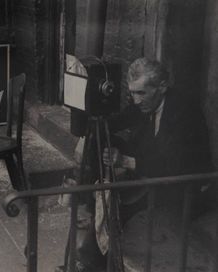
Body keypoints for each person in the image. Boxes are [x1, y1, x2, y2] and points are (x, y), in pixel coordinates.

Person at [75, 57, 213, 272]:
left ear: (162, 87)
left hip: (184, 185)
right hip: (153, 173)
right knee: (100, 140)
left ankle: (92, 261)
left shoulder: (185, 112)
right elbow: (115, 122)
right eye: (131, 93)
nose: (136, 100)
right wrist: (89, 135)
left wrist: (126, 161)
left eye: (141, 93)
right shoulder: (145, 103)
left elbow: (176, 165)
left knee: (118, 207)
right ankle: (91, 203)